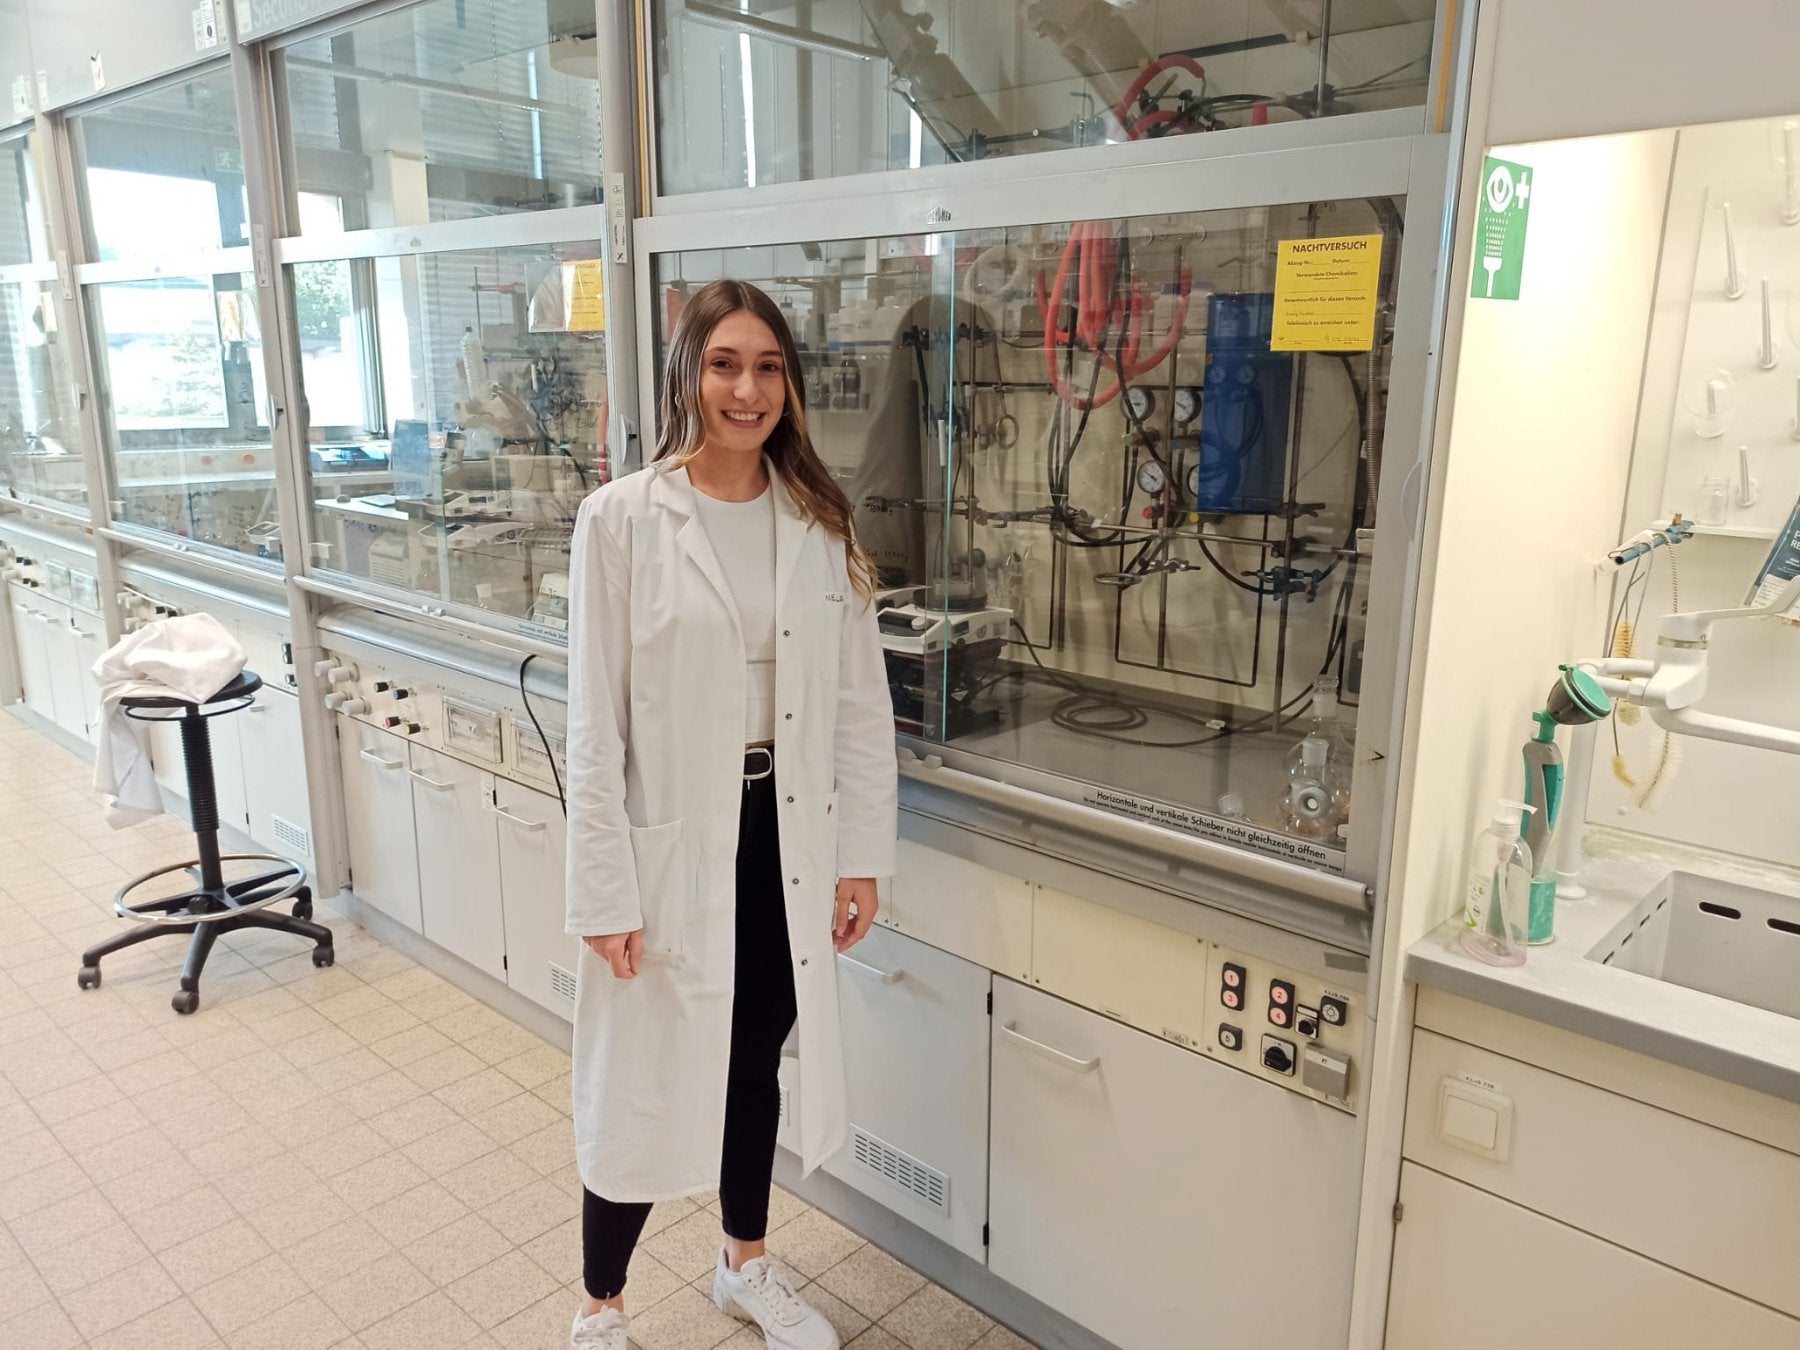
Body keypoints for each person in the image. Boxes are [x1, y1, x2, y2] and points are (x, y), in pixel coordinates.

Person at [563, 279, 899, 1350]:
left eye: (766, 368)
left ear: (788, 385)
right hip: (670, 840)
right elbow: (594, 724)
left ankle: (743, 1266)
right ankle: (601, 1306)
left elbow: (859, 707)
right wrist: (604, 890)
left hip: (782, 836)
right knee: (641, 1073)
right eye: (723, 364)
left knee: (755, 1059)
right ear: (688, 375)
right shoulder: (622, 519)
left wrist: (860, 859)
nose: (745, 390)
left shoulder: (818, 522)